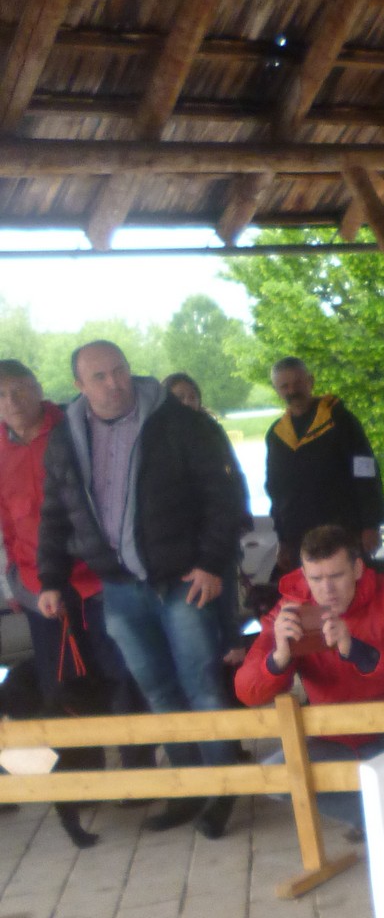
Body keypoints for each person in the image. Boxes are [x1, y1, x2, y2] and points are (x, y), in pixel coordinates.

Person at [36, 340, 247, 838]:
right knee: (158, 690)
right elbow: (55, 512)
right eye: (100, 377)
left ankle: (225, 786)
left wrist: (212, 563)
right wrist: (51, 580)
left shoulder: (179, 422)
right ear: (79, 385)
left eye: (120, 370)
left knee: (202, 685)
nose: (115, 383)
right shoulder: (66, 436)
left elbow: (224, 495)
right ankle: (188, 788)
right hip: (119, 588)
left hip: (184, 581)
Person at [235, 523, 384, 828]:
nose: (326, 589)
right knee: (273, 778)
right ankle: (377, 819)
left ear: (357, 569)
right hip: (337, 738)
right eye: (316, 578)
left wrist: (358, 650)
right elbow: (247, 692)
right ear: (303, 575)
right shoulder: (290, 609)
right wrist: (277, 659)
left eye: (336, 576)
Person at [0, 359, 134, 716]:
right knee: (59, 687)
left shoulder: (77, 429)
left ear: (38, 389)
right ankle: (78, 753)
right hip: (38, 588)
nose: (11, 401)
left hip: (98, 580)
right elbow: (6, 525)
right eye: (2, 395)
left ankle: (135, 750)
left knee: (119, 675)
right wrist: (12, 581)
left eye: (18, 390)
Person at [264, 356, 384, 571]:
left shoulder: (340, 420)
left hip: (344, 528)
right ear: (277, 390)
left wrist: (371, 524)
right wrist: (282, 539)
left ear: (310, 381)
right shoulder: (276, 435)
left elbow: (365, 471)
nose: (292, 391)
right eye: (284, 386)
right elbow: (276, 490)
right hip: (299, 536)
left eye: (298, 383)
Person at [165, 371, 252, 663]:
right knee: (196, 609)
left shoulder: (211, 428)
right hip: (184, 539)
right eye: (180, 397)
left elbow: (232, 473)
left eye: (192, 396)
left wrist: (242, 511)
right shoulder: (160, 437)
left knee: (227, 600)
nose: (188, 402)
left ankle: (233, 655)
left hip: (219, 531)